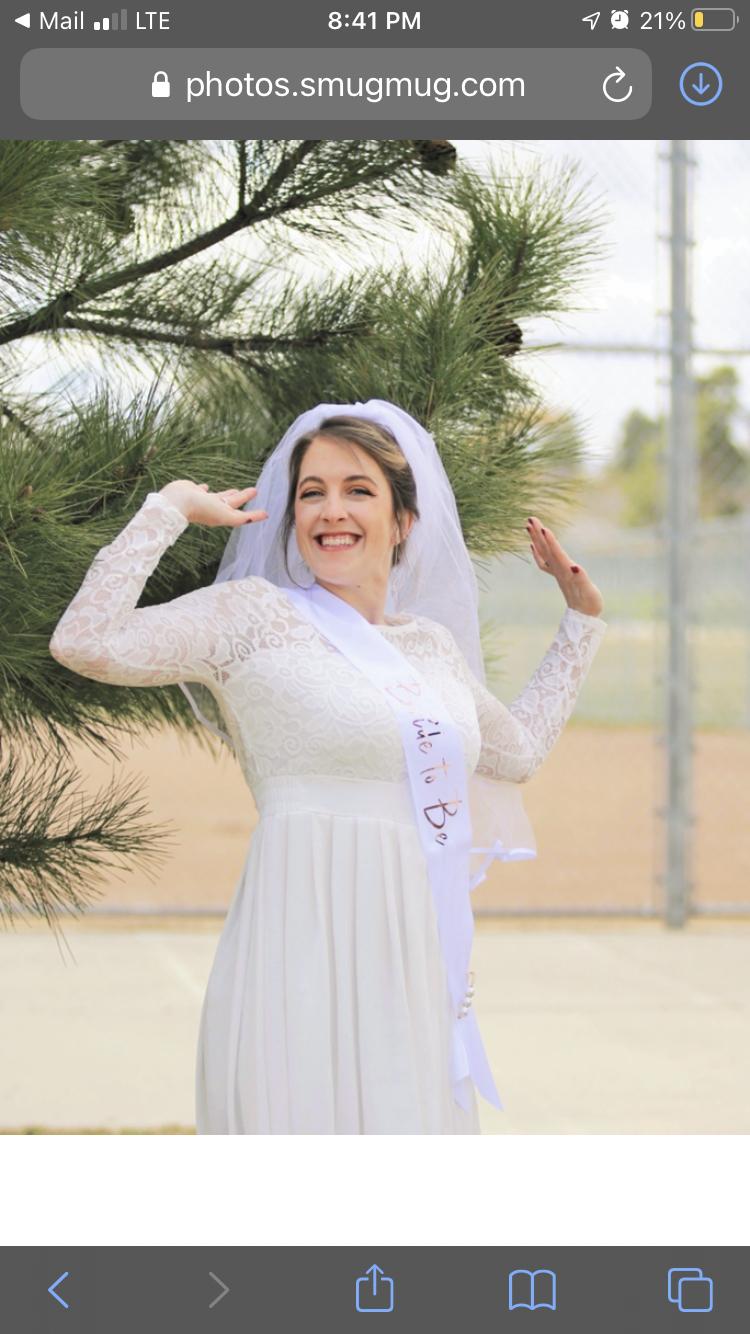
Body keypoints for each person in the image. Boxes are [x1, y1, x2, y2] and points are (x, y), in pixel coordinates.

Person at [49, 399, 607, 1135]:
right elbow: (85, 642)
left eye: (358, 490)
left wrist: (582, 623)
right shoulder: (252, 618)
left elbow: (518, 753)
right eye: (311, 492)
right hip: (299, 938)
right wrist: (170, 508)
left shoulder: (431, 649)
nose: (330, 510)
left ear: (404, 522)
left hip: (408, 948)